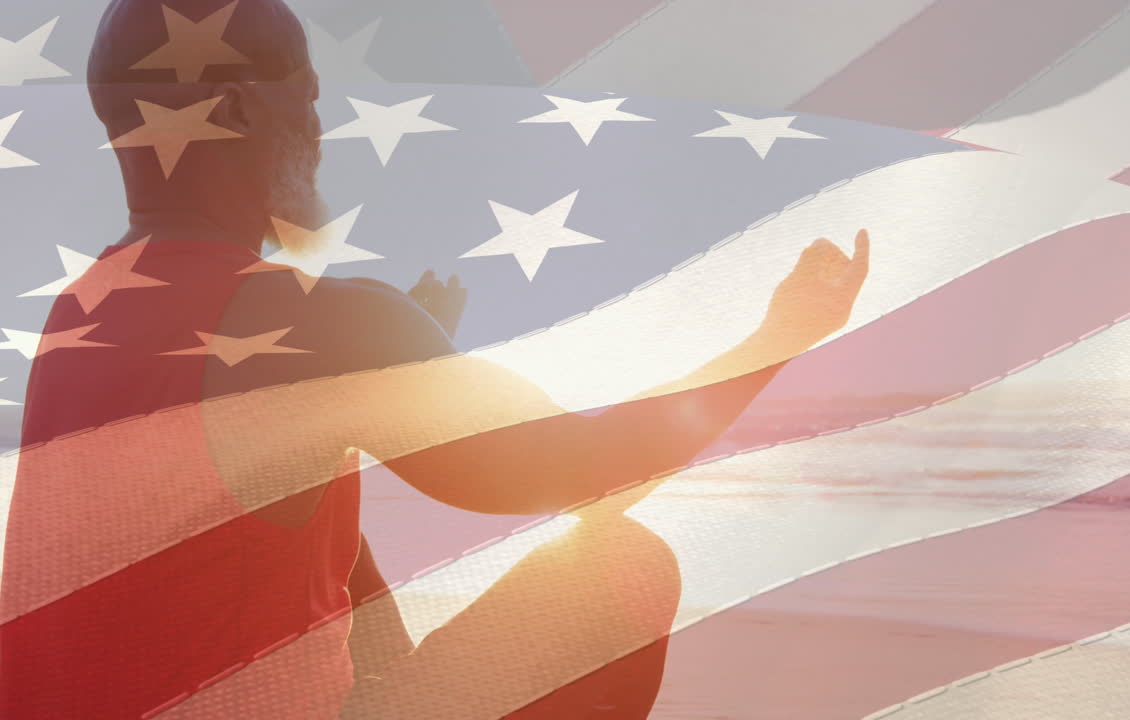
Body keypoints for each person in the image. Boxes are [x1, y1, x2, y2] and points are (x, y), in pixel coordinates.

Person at [0, 1, 871, 718]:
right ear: (234, 109)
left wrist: (394, 379)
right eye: (305, 98)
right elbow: (592, 472)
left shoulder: (88, 312)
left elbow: (276, 535)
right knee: (619, 571)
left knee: (330, 530)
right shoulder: (318, 327)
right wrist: (778, 339)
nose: (318, 124)